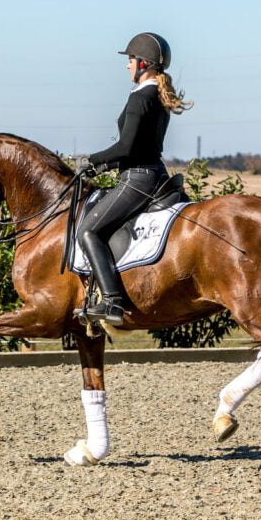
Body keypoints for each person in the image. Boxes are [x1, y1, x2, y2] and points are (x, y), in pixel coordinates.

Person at [74, 32, 192, 324]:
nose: (127, 65)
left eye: (130, 60)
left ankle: (112, 302)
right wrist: (103, 167)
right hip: (149, 172)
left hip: (138, 179)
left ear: (143, 64)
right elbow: (139, 148)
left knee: (87, 231)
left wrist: (92, 159)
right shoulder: (154, 95)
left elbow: (126, 147)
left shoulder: (141, 98)